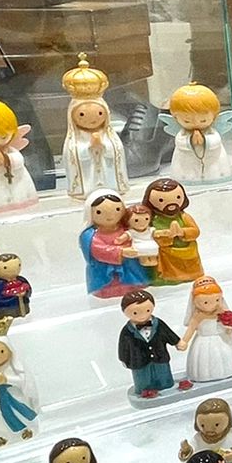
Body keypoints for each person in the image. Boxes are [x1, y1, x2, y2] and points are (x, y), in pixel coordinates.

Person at [59, 56, 127, 199]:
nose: (92, 119)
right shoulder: (75, 138)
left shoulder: (108, 135)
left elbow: (116, 152)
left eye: (100, 113)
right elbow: (74, 155)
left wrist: (103, 145)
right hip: (87, 180)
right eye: (82, 114)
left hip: (107, 176)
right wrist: (90, 146)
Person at [179, 277, 232, 385]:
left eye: (217, 300)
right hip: (204, 341)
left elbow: (227, 324)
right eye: (206, 302)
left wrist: (229, 329)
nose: (212, 304)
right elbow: (191, 329)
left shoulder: (221, 312)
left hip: (223, 338)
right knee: (206, 361)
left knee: (228, 356)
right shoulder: (198, 316)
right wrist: (184, 341)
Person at [117, 289, 186, 400]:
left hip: (160, 356)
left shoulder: (158, 324)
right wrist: (124, 359)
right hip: (139, 361)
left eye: (147, 310)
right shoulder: (127, 331)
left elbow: (168, 333)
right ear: (124, 311)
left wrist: (177, 342)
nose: (142, 315)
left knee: (164, 377)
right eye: (135, 313)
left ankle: (165, 387)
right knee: (143, 381)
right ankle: (145, 391)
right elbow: (123, 346)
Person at [79, 190, 147, 298]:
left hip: (129, 265)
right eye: (99, 212)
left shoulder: (126, 227)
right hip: (104, 269)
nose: (110, 216)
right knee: (109, 284)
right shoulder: (90, 235)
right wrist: (121, 252)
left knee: (132, 280)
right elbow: (98, 250)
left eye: (117, 210)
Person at [144, 179, 203, 286]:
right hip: (164, 252)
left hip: (185, 250)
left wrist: (182, 232)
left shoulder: (184, 216)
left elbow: (195, 231)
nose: (171, 204)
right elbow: (145, 233)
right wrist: (163, 234)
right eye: (161, 200)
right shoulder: (152, 219)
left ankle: (188, 275)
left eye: (178, 197)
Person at [0, 254, 32, 318]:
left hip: (24, 305)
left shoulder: (21, 279)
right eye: (5, 268)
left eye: (18, 265)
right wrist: (14, 296)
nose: (13, 269)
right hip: (6, 308)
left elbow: (29, 289)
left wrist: (25, 293)